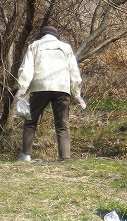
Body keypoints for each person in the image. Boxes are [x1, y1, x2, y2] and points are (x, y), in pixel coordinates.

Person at [14, 25, 86, 161]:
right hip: (62, 88)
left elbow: (26, 69)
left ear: (41, 35)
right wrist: (77, 95)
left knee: (30, 122)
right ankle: (64, 158)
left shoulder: (34, 46)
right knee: (63, 125)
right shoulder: (66, 48)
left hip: (40, 87)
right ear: (56, 35)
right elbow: (74, 73)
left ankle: (26, 156)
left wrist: (21, 90)